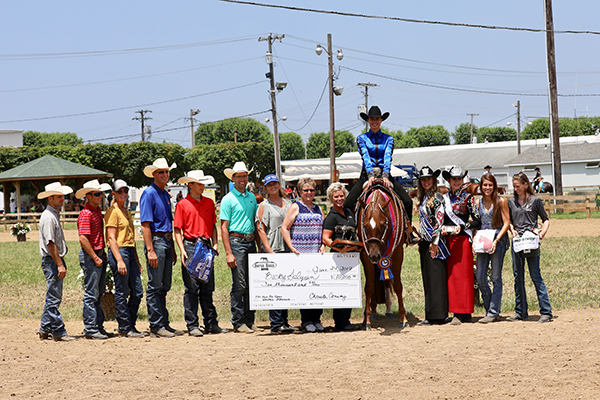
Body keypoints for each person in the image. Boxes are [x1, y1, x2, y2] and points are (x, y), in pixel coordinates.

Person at [344, 106, 416, 243]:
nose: (374, 121)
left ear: (381, 120)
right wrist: (370, 174)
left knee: (407, 201)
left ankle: (408, 231)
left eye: (377, 119)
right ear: (368, 120)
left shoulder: (389, 139)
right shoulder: (361, 138)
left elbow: (388, 156)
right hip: (367, 174)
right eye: (372, 119)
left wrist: (385, 175)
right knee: (348, 203)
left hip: (385, 173)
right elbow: (365, 156)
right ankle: (352, 230)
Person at [174, 170, 223, 336]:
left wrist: (215, 243)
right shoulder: (182, 204)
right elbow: (178, 230)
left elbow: (213, 226)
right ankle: (192, 324)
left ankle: (211, 322)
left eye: (203, 184)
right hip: (190, 245)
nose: (202, 187)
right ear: (191, 185)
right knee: (192, 287)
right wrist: (182, 250)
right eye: (199, 184)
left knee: (207, 286)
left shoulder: (209, 203)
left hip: (206, 245)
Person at [140, 158, 182, 338]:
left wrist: (172, 246)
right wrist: (150, 250)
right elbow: (145, 225)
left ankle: (163, 322)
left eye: (166, 172)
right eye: (161, 172)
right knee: (155, 285)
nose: (165, 175)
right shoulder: (148, 194)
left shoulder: (165, 195)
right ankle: (156, 325)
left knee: (164, 285)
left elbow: (168, 223)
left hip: (165, 240)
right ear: (153, 174)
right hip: (156, 241)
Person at [282, 177, 326, 333]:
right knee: (305, 288)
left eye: (312, 190)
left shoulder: (318, 208)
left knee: (317, 287)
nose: (309, 193)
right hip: (300, 253)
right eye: (306, 190)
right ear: (300, 192)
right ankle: (306, 320)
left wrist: (322, 245)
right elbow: (285, 228)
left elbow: (323, 230)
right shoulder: (295, 207)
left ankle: (317, 318)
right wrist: (291, 246)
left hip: (315, 253)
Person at [220, 161, 259, 333]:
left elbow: (255, 223)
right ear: (233, 179)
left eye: (244, 175)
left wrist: (259, 246)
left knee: (252, 283)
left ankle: (250, 320)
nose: (242, 179)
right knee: (240, 283)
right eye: (239, 176)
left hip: (250, 241)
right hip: (236, 242)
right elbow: (223, 227)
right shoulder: (228, 199)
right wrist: (228, 252)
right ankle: (238, 320)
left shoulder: (252, 198)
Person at [508, 172, 552, 323]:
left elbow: (545, 219)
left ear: (526, 184)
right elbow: (509, 221)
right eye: (514, 186)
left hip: (531, 242)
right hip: (518, 242)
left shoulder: (535, 201)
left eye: (518, 186)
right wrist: (512, 230)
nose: (516, 189)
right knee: (517, 277)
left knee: (535, 276)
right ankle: (521, 312)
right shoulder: (511, 202)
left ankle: (546, 312)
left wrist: (542, 233)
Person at [256, 174, 296, 334]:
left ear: (279, 185)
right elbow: (261, 229)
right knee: (275, 287)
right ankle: (276, 322)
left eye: (275, 184)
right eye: (269, 185)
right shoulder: (264, 205)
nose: (273, 187)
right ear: (266, 188)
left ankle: (285, 321)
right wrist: (268, 250)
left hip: (289, 248)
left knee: (286, 286)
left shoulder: (289, 203)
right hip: (274, 248)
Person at [105, 179, 145, 338]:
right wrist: (119, 260)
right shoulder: (112, 212)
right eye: (120, 191)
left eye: (125, 191)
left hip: (130, 251)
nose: (124, 194)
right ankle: (124, 326)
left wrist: (136, 259)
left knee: (138, 291)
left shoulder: (127, 212)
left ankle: (130, 324)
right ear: (113, 194)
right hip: (119, 251)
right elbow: (111, 238)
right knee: (122, 291)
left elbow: (131, 238)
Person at [442, 166, 481, 325]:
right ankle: (456, 311)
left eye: (459, 179)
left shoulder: (468, 198)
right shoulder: (442, 198)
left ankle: (466, 311)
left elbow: (477, 220)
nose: (456, 182)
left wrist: (463, 227)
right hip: (448, 241)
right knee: (452, 277)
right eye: (454, 179)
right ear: (449, 180)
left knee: (465, 276)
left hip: (463, 240)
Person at [37, 182, 75, 341]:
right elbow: (50, 243)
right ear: (50, 198)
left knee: (53, 295)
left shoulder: (52, 215)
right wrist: (59, 263)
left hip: (52, 260)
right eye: (59, 197)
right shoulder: (48, 217)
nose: (62, 199)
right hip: (52, 261)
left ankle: (45, 328)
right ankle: (58, 331)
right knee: (54, 297)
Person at [321, 182, 360, 331]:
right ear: (331, 198)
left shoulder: (349, 211)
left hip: (352, 256)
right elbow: (325, 238)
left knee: (349, 287)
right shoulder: (332, 217)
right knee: (339, 289)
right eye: (336, 196)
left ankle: (346, 320)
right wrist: (339, 249)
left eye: (341, 196)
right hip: (338, 256)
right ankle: (340, 322)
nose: (339, 199)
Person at [76, 179, 112, 340]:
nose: (100, 197)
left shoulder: (96, 211)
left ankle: (97, 326)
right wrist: (95, 257)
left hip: (98, 254)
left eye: (101, 194)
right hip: (92, 256)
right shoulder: (86, 214)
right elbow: (83, 238)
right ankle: (91, 327)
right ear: (88, 196)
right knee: (92, 294)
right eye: (97, 194)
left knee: (98, 292)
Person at [415, 167, 449, 325]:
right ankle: (430, 314)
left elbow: (439, 221)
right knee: (427, 278)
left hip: (436, 243)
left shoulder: (437, 198)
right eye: (423, 180)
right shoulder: (423, 197)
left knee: (437, 278)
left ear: (434, 181)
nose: (426, 182)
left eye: (428, 179)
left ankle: (440, 315)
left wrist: (434, 243)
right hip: (424, 241)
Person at [476, 174, 510, 323]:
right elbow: (477, 223)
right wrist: (474, 240)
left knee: (496, 277)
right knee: (480, 277)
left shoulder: (501, 201)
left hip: (498, 241)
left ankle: (493, 311)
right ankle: (491, 307)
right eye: (485, 185)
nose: (487, 188)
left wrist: (496, 240)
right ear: (481, 186)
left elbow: (507, 223)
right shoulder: (478, 203)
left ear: (494, 186)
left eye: (490, 185)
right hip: (483, 242)